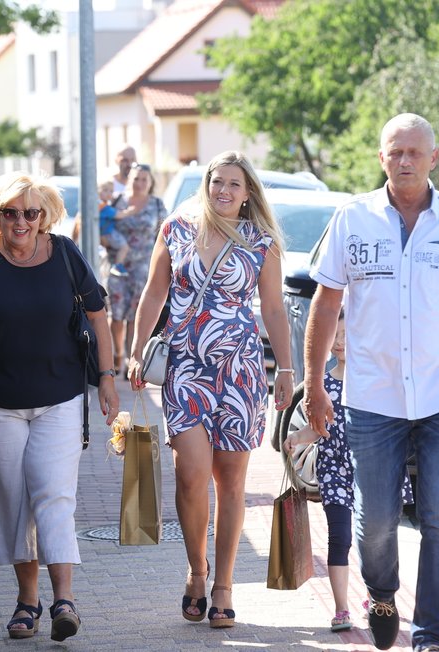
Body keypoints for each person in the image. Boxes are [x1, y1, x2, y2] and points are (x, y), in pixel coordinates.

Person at [303, 113, 439, 652]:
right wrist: (314, 384)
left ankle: (431, 631)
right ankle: (383, 594)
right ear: (381, 157)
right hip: (373, 395)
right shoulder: (352, 220)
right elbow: (325, 303)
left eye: (416, 152)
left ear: (435, 158)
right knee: (376, 522)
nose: (406, 161)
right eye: (396, 152)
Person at [0, 173, 119, 642]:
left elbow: (99, 316)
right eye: (10, 212)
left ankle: (65, 600)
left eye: (31, 213)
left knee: (53, 494)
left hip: (59, 399)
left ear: (46, 216)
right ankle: (27, 599)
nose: (21, 221)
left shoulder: (63, 253)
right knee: (12, 502)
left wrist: (106, 377)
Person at [127, 150, 294, 628]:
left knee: (232, 482)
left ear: (248, 194)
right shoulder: (176, 228)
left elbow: (274, 311)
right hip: (184, 367)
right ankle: (195, 569)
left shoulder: (261, 241)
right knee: (190, 476)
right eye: (217, 182)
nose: (223, 191)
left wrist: (284, 371)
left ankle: (223, 585)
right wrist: (137, 350)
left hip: (240, 372)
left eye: (234, 185)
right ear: (206, 184)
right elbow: (154, 294)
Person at [283, 311, 413, 633]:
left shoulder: (374, 380)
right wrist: (298, 438)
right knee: (339, 538)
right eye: (334, 335)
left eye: (346, 334)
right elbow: (319, 428)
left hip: (373, 468)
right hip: (335, 470)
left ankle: (377, 595)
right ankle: (342, 610)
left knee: (378, 538)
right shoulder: (321, 385)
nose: (340, 341)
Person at [107, 163, 167, 374]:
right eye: (136, 178)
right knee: (116, 314)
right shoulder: (116, 202)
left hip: (144, 267)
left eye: (144, 179)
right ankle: (117, 355)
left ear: (150, 182)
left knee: (135, 314)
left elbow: (167, 234)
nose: (139, 183)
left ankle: (133, 357)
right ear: (129, 180)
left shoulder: (157, 204)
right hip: (118, 266)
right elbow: (102, 226)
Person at [98, 179, 130, 276]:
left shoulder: (102, 204)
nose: (109, 193)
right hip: (107, 233)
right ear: (97, 190)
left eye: (111, 191)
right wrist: (131, 211)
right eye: (105, 190)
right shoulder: (103, 206)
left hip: (104, 233)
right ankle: (117, 265)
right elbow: (119, 215)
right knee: (124, 247)